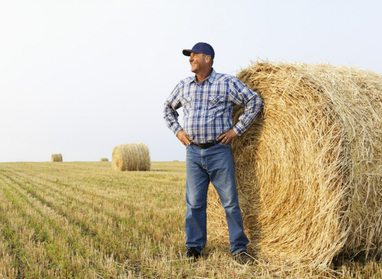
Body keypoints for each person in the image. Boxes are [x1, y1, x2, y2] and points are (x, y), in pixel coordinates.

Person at [163, 42, 263, 264]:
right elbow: (167, 109)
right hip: (193, 153)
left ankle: (238, 248)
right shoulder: (183, 86)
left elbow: (254, 101)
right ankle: (194, 248)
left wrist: (237, 130)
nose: (190, 58)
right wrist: (178, 132)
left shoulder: (225, 83)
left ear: (207, 58)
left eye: (194, 55)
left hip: (219, 152)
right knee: (194, 204)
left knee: (229, 202)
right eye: (189, 56)